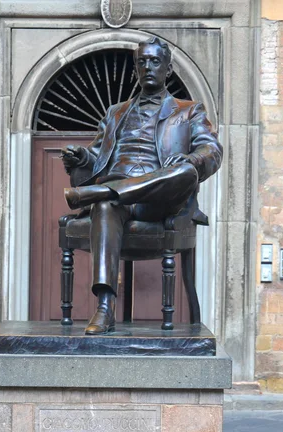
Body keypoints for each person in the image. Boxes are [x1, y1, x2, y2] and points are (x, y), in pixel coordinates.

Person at [62, 36, 222, 335]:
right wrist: (81, 155)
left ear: (168, 68)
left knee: (185, 171)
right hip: (118, 192)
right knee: (107, 204)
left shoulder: (189, 111)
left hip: (160, 199)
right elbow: (98, 156)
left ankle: (103, 193)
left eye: (155, 61)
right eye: (142, 62)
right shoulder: (115, 113)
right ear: (136, 69)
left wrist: (189, 159)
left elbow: (212, 152)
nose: (148, 66)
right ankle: (105, 308)